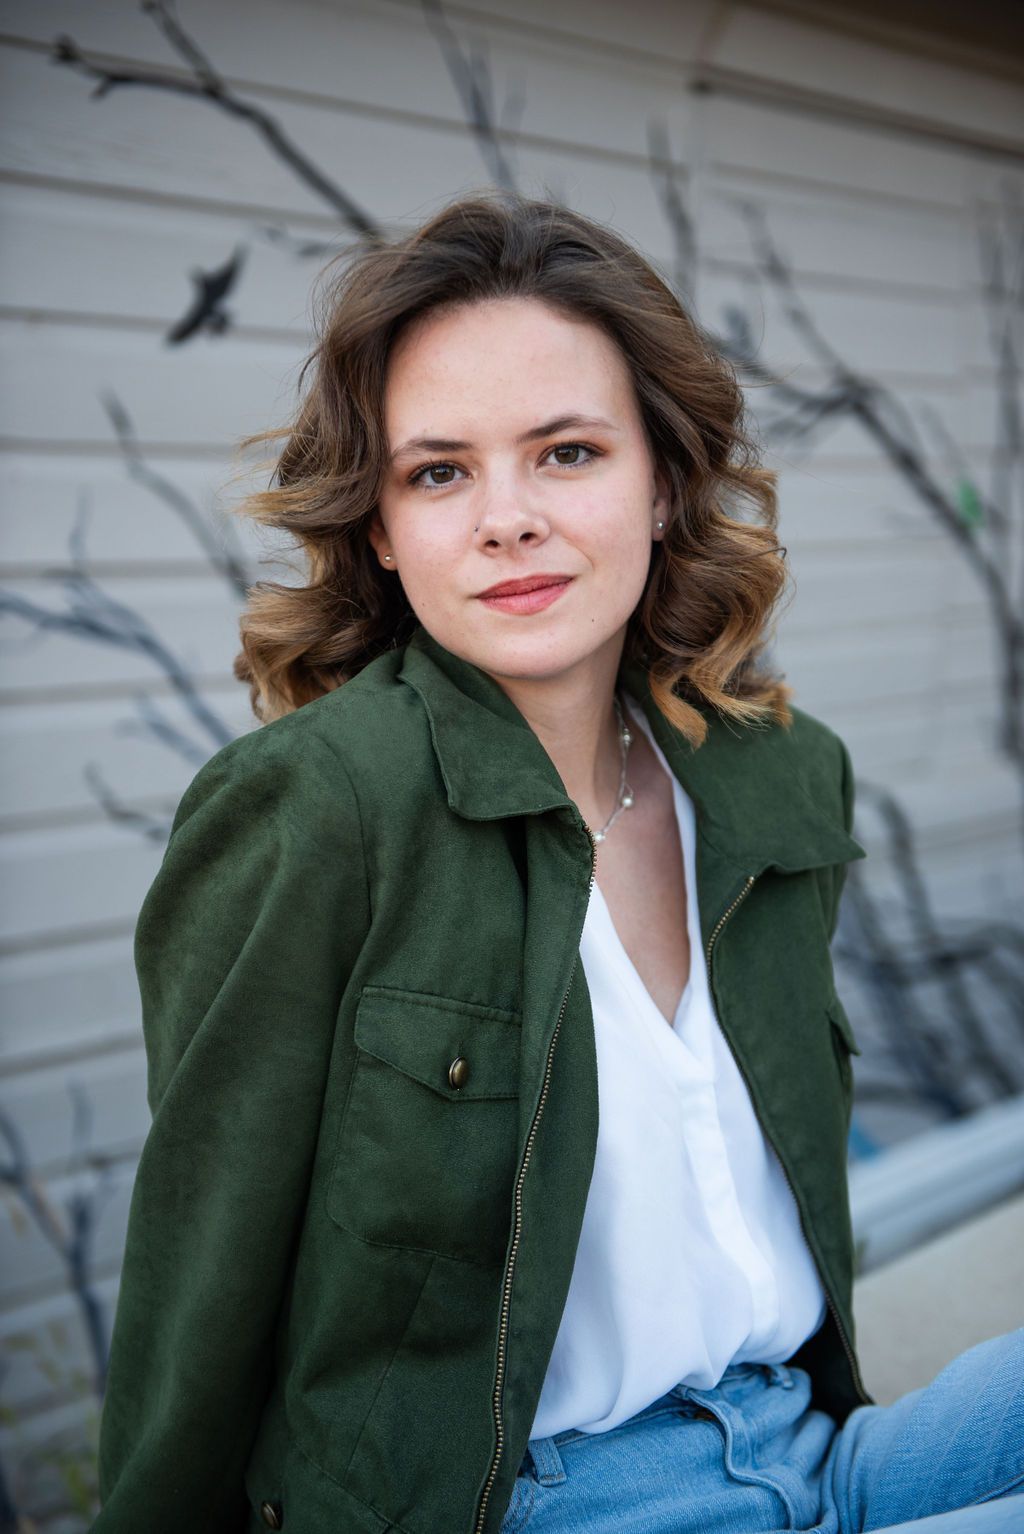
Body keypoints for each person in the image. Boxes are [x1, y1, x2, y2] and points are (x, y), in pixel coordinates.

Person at [92, 192, 1022, 1534]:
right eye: (438, 472)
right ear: (379, 527)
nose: (507, 519)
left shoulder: (774, 776)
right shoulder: (317, 807)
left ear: (664, 481)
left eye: (568, 452)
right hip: (549, 1504)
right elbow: (202, 1277)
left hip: (807, 1448)